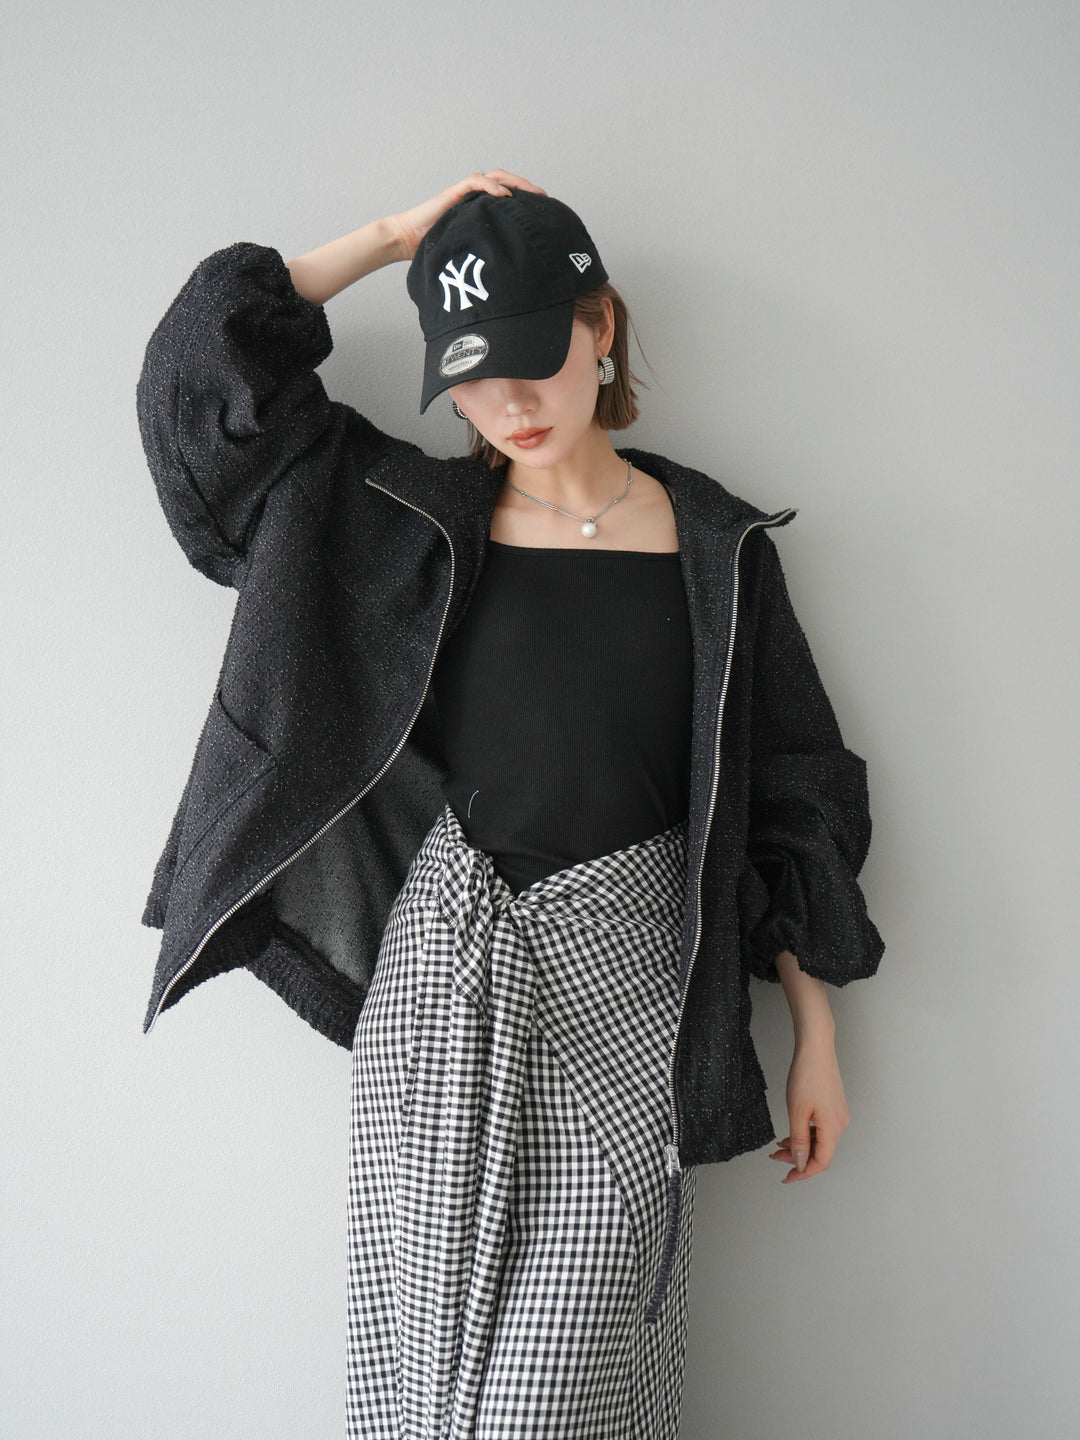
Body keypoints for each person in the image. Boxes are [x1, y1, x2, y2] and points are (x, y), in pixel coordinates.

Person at [135, 169, 885, 1438]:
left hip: (633, 1007)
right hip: (441, 999)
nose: (510, 405)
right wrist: (391, 239)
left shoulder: (719, 549)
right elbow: (201, 396)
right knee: (430, 1399)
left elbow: (792, 792)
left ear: (603, 327)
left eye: (534, 358)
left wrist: (816, 1031)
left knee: (555, 1402)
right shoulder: (409, 524)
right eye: (473, 377)